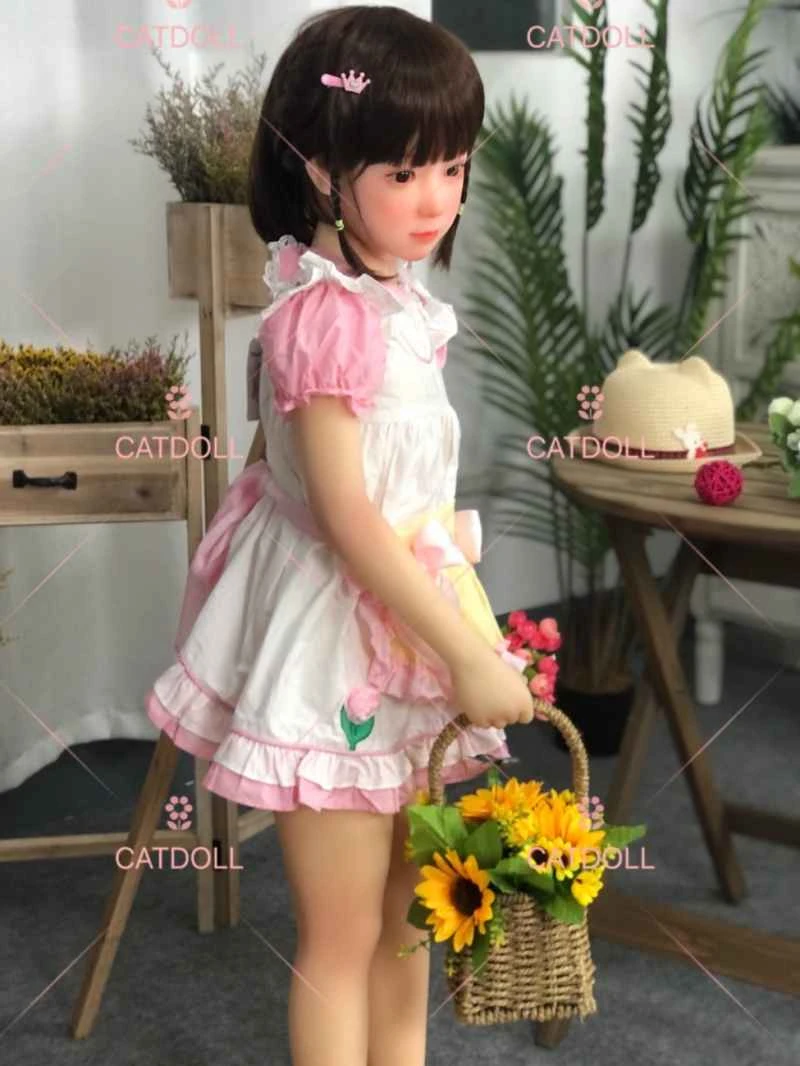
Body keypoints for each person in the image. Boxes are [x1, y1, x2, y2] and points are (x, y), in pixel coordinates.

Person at [145, 6, 537, 1064]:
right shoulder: (323, 318)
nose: (436, 199)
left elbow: (393, 501)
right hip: (335, 654)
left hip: (406, 635)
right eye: (403, 173)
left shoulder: (397, 304)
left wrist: (458, 626)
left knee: (410, 920)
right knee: (343, 933)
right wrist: (465, 653)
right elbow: (349, 521)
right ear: (320, 169)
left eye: (452, 167)